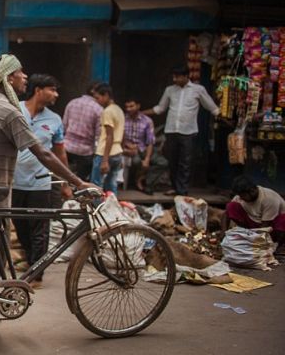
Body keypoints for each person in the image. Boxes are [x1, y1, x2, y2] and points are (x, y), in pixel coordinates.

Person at [0, 54, 95, 347]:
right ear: (9, 78)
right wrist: (79, 182)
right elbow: (43, 154)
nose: (25, 77)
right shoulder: (10, 113)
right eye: (21, 73)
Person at [11, 74, 71, 289]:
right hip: (14, 181)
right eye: (52, 89)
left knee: (40, 229)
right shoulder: (15, 109)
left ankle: (37, 274)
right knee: (20, 226)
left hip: (40, 182)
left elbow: (60, 153)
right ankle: (30, 261)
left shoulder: (54, 120)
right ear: (38, 90)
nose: (56, 94)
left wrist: (65, 182)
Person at [144, 66, 220, 195]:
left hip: (188, 131)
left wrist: (222, 116)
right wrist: (141, 113)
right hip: (171, 130)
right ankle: (175, 187)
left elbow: (212, 107)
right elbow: (160, 108)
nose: (175, 79)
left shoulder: (198, 90)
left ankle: (182, 190)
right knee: (172, 160)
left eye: (177, 77)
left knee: (185, 162)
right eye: (174, 77)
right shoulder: (170, 90)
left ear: (186, 76)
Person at [224, 175, 285, 246]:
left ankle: (277, 244)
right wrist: (224, 233)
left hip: (271, 227)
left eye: (243, 196)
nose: (241, 198)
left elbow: (265, 227)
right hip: (254, 226)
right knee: (231, 206)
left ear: (252, 191)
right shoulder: (240, 197)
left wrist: (252, 241)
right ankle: (249, 237)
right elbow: (226, 214)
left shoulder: (269, 199)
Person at [62, 82, 103, 182]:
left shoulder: (72, 102)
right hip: (85, 152)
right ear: (95, 93)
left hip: (67, 147)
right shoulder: (99, 109)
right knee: (81, 181)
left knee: (63, 177)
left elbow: (64, 125)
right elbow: (99, 135)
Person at [91, 83, 124, 195]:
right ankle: (111, 209)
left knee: (96, 186)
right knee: (111, 185)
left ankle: (96, 210)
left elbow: (110, 136)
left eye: (98, 98)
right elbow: (121, 133)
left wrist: (104, 160)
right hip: (117, 152)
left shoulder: (108, 111)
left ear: (106, 95)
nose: (97, 101)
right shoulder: (118, 109)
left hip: (105, 153)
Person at [122, 97, 155, 193]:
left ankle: (141, 179)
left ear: (138, 106)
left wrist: (147, 159)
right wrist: (127, 145)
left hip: (142, 148)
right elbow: (119, 136)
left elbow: (150, 141)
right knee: (136, 161)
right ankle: (137, 183)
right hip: (127, 149)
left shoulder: (147, 121)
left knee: (162, 163)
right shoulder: (123, 119)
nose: (128, 109)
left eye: (131, 106)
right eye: (127, 107)